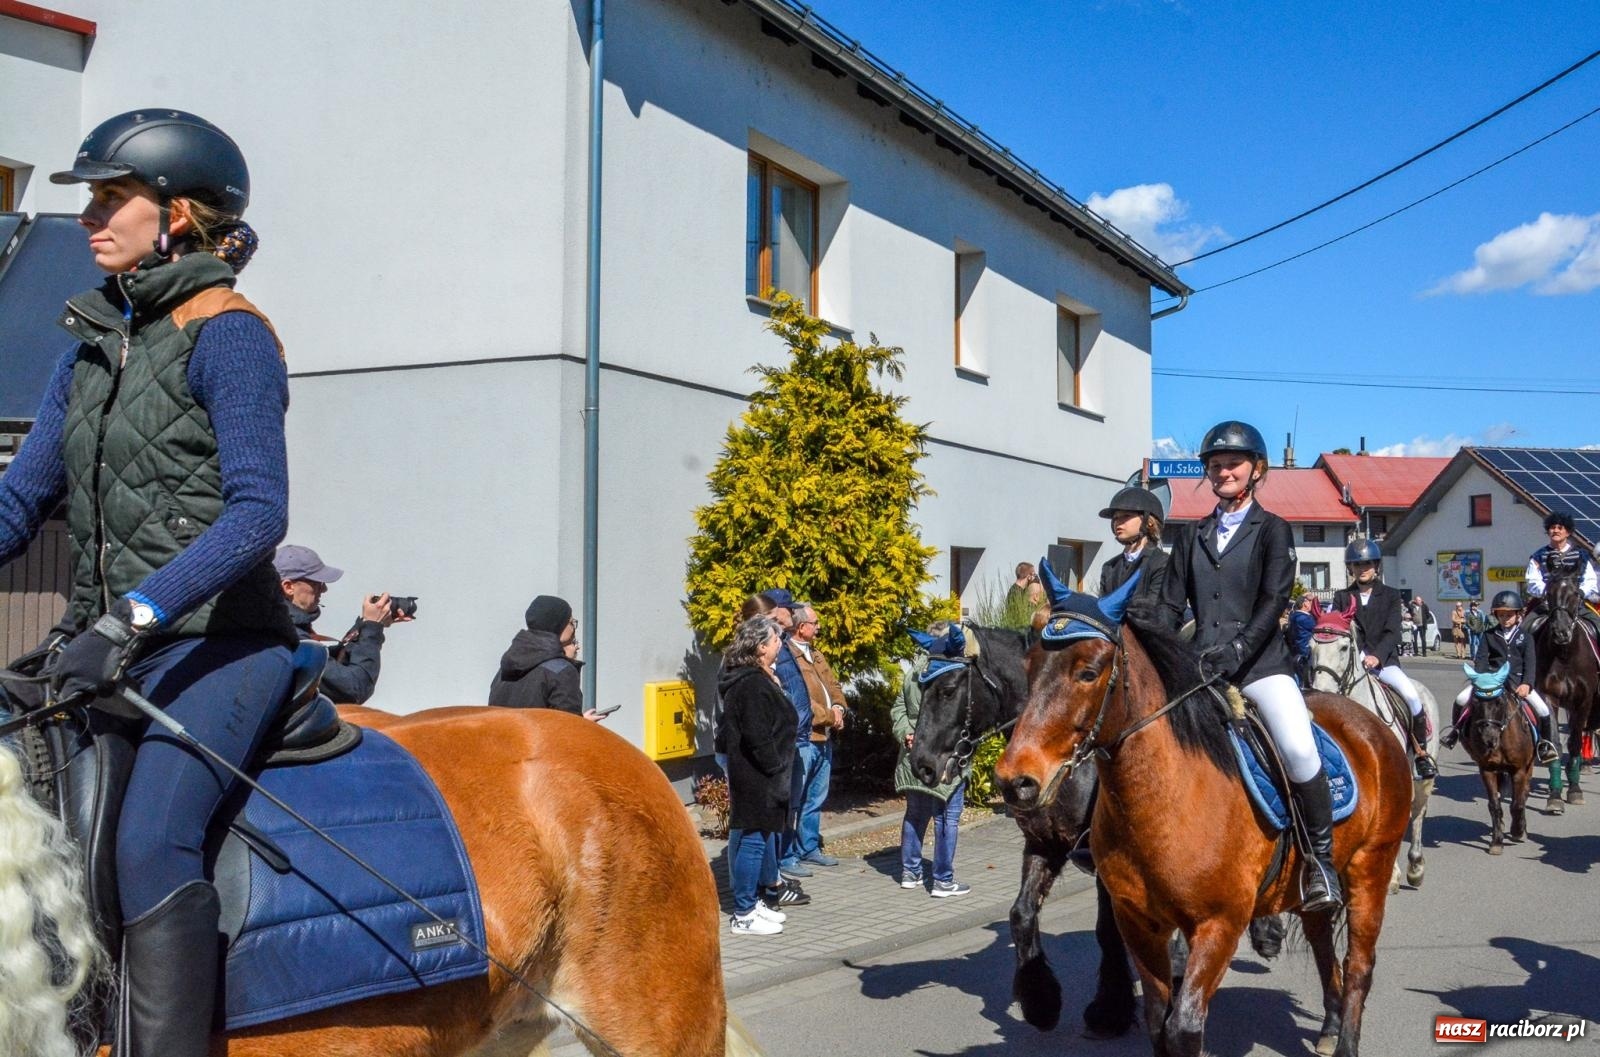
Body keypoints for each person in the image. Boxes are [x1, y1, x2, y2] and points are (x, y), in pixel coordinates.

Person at [0, 111, 297, 1056]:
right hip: (103, 646)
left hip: (221, 644)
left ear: (176, 215)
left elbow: (258, 513)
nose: (89, 217)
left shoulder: (230, 334)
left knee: (147, 844)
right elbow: (19, 501)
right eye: (90, 199)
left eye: (110, 197)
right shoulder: (89, 345)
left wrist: (134, 615)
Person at [1155, 420, 1343, 912]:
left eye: (1233, 464)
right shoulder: (1192, 534)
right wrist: (1153, 645)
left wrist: (1238, 650)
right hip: (1200, 668)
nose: (1223, 472)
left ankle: (1320, 862)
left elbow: (1272, 600)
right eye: (1215, 465)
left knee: (1298, 748)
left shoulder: (1273, 530)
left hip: (1260, 667)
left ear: (1257, 469)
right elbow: (1170, 604)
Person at [1332, 540, 1437, 780]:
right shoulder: (1342, 597)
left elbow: (1393, 632)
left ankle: (1421, 753)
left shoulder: (1390, 595)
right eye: (1357, 565)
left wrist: (1376, 657)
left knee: (1412, 697)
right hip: (1352, 663)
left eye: (1367, 564)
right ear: (1350, 568)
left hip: (1385, 663)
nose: (1362, 569)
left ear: (1376, 566)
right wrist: (1359, 655)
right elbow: (1339, 630)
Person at [719, 614, 796, 936]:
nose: (780, 644)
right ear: (761, 646)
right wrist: (775, 767)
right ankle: (744, 912)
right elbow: (756, 733)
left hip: (763, 773)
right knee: (752, 842)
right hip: (757, 775)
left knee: (759, 839)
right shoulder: (750, 683)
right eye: (776, 640)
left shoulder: (758, 678)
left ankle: (752, 902)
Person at [892, 621, 972, 898]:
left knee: (915, 813)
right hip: (944, 753)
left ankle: (910, 872)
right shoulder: (952, 673)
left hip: (913, 754)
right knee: (947, 817)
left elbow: (898, 708)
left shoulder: (913, 672)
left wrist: (907, 733)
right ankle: (942, 880)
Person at [275, 543, 411, 705]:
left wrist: (364, 625)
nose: (324, 589)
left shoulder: (277, 628)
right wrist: (372, 627)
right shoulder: (289, 638)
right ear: (288, 587)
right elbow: (355, 688)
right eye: (317, 582)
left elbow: (331, 665)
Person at [1442, 590, 1559, 764]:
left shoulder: (1526, 637)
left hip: (1518, 682)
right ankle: (1455, 732)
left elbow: (1530, 663)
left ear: (1518, 615)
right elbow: (1481, 660)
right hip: (1490, 681)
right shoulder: (1489, 635)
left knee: (1543, 709)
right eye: (1501, 615)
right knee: (1461, 699)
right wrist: (1482, 679)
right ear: (1496, 615)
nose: (1505, 619)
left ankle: (1545, 744)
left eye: (1509, 615)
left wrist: (1527, 683)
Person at [783, 603, 849, 869]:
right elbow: (800, 700)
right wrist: (830, 716)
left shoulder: (816, 654)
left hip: (825, 737)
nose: (819, 627)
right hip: (805, 738)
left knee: (815, 797)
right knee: (795, 798)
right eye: (815, 623)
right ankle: (786, 855)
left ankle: (808, 847)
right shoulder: (789, 657)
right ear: (801, 627)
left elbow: (833, 685)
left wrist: (839, 707)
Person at [488, 594, 607, 719]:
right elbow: (567, 726)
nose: (574, 629)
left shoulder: (504, 670)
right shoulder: (562, 671)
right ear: (558, 625)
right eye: (571, 623)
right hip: (540, 733)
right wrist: (582, 723)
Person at [1526, 511, 1600, 638]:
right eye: (1552, 527)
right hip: (1546, 605)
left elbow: (1590, 580)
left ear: (1568, 532)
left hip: (1576, 604)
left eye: (1560, 528)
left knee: (1598, 626)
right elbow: (1532, 581)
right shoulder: (1538, 556)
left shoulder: (1581, 555)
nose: (1556, 530)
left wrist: (1580, 592)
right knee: (1524, 629)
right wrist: (1548, 592)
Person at [1097, 485, 1169, 600]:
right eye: (1115, 518)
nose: (1118, 522)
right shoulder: (1109, 567)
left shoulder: (1163, 563)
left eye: (1126, 516)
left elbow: (1155, 605)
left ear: (1149, 521)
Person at [1289, 594, 1317, 684]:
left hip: (1299, 651)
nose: (1312, 604)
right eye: (1310, 601)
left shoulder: (1295, 615)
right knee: (1306, 679)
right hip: (1306, 652)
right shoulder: (1303, 618)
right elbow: (1317, 627)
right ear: (1304, 603)